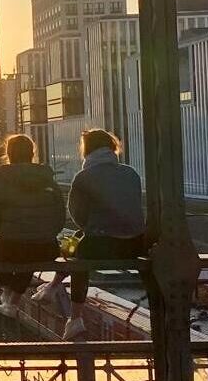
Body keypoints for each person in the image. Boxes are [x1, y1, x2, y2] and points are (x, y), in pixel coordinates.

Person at [54, 129, 146, 340]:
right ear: (112, 148)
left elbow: (77, 215)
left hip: (101, 245)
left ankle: (75, 318)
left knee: (78, 256)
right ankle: (164, 306)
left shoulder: (83, 177)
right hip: (135, 245)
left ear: (87, 150)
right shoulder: (131, 173)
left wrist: (94, 226)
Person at [0, 134, 66, 319]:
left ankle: (7, 293)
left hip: (10, 248)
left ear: (9, 154)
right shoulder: (48, 180)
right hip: (47, 248)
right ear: (32, 153)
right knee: (29, 254)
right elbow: (60, 217)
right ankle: (12, 300)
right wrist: (43, 233)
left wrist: (5, 234)